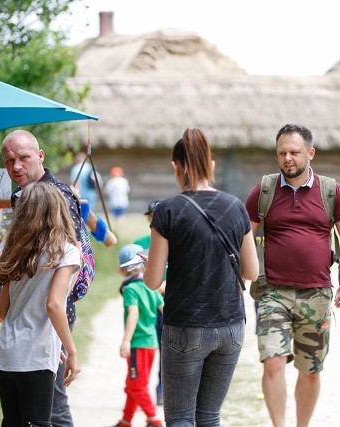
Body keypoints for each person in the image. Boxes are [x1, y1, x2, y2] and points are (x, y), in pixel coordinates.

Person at [244, 123, 340, 427]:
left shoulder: (331, 191)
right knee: (272, 362)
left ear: (310, 153)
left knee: (310, 371)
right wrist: (239, 276)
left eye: (294, 152)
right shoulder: (265, 189)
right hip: (272, 292)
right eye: (282, 153)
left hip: (317, 294)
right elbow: (244, 235)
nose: (287, 158)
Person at [144, 128, 259, 426]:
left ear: (175, 166)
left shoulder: (168, 210)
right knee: (210, 417)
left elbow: (152, 281)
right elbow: (251, 272)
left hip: (186, 325)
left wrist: (155, 262)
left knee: (181, 418)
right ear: (211, 165)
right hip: (231, 326)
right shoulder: (236, 206)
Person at [1, 129, 90, 426]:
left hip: (51, 319)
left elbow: (70, 253)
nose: (16, 166)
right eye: (9, 160)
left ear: (40, 156)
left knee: (53, 404)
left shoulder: (57, 194)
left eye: (23, 158)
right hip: (26, 319)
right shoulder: (19, 195)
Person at [0, 182, 81, 426]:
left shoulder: (13, 249)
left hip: (5, 354)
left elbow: (3, 310)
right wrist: (72, 351)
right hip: (34, 357)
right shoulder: (66, 250)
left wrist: (54, 342)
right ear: (58, 210)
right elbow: (54, 305)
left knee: (13, 421)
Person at [113, 244, 164, 427]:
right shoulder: (150, 287)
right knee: (134, 383)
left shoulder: (131, 289)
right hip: (151, 343)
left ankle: (154, 420)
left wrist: (126, 340)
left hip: (138, 343)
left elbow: (133, 313)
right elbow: (163, 308)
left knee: (136, 385)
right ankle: (126, 421)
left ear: (121, 269)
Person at [133, 200, 164, 406]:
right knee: (143, 348)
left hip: (166, 306)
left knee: (166, 349)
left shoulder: (176, 241)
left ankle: (162, 387)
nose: (153, 219)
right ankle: (139, 388)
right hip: (146, 307)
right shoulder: (140, 244)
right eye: (151, 216)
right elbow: (131, 275)